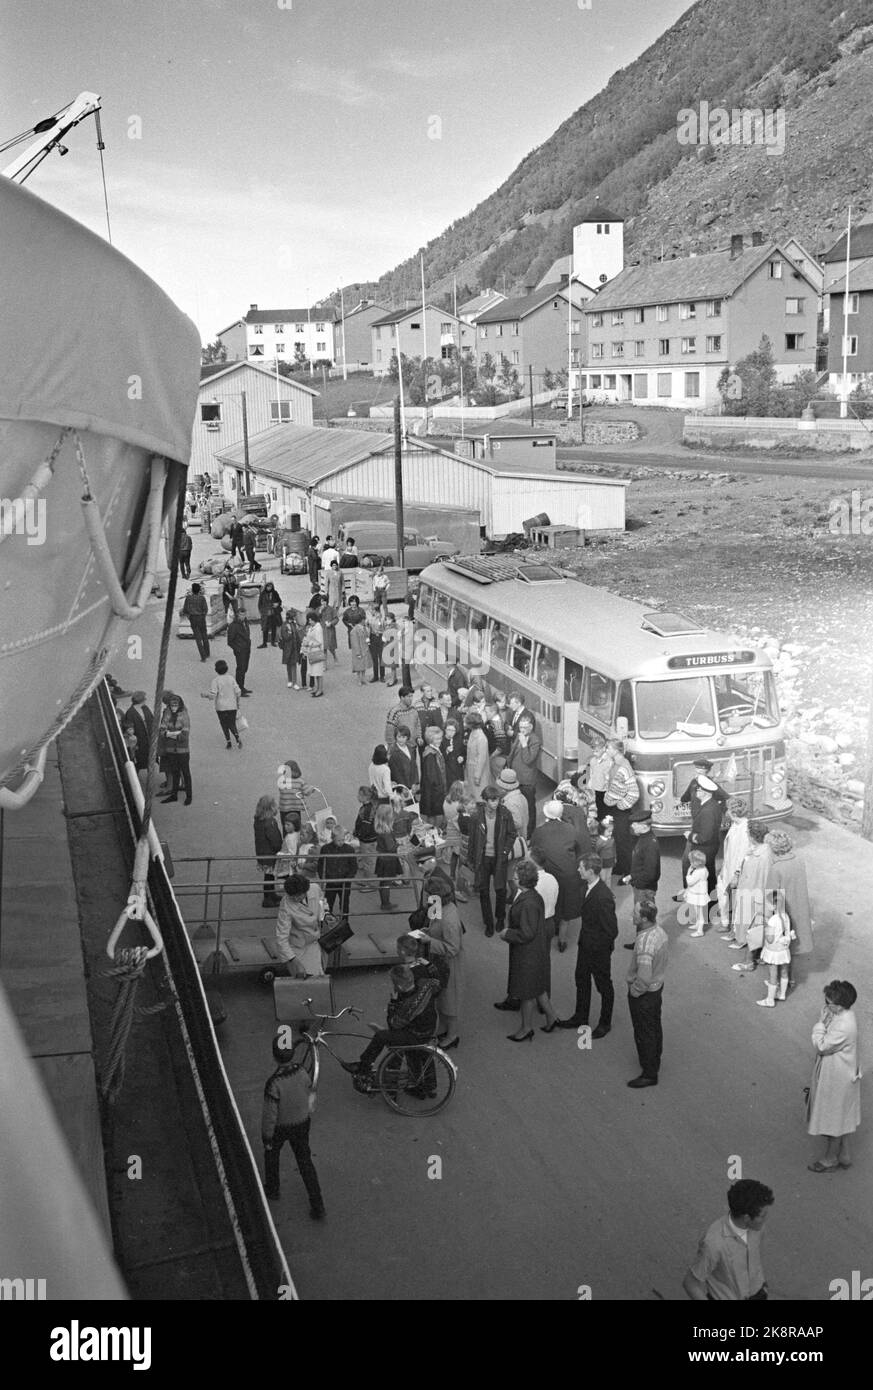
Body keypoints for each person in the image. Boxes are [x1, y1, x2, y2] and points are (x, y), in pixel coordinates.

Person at [342, 943, 443, 1090]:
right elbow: (436, 977)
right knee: (422, 1055)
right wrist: (427, 963)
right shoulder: (426, 985)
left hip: (416, 1034)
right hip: (430, 1027)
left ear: (400, 987)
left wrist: (393, 1003)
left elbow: (394, 1024)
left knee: (382, 1037)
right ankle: (429, 1084)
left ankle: (364, 1067)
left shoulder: (408, 1004)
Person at [261, 1035, 324, 1218]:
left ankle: (273, 1189)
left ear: (274, 1056)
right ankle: (317, 1204)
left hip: (281, 1127)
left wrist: (267, 1138)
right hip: (302, 1123)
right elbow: (310, 1091)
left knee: (271, 1155)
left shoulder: (274, 1083)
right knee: (305, 1162)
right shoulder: (302, 1071)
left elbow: (269, 1115)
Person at [682, 1180, 774, 1301]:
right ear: (746, 1217)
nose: (766, 1219)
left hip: (758, 1293)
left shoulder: (757, 1228)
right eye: (762, 1215)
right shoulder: (713, 1244)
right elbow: (691, 1283)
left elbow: (755, 1257)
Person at [557, 854, 617, 1036]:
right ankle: (580, 1017)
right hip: (586, 946)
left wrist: (597, 950)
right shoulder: (588, 887)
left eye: (581, 868)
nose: (578, 870)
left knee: (604, 986)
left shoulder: (603, 896)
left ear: (590, 871)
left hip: (598, 951)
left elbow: (611, 931)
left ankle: (605, 1023)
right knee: (581, 980)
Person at [498, 861, 559, 1041]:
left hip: (527, 953)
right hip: (536, 950)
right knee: (538, 987)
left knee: (526, 993)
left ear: (523, 881)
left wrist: (507, 933)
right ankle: (552, 1017)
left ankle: (526, 1028)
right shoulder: (533, 895)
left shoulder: (528, 902)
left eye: (516, 877)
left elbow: (527, 933)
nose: (513, 879)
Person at [807, 980, 861, 1172]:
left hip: (837, 1076)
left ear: (839, 1006)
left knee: (833, 1120)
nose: (825, 1005)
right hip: (842, 1072)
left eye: (828, 1002)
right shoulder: (846, 1015)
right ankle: (845, 1154)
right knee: (841, 1115)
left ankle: (830, 1158)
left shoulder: (843, 1027)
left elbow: (822, 1045)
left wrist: (820, 1024)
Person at [412, 877, 463, 1049]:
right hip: (438, 960)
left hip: (449, 964)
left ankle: (453, 1035)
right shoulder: (440, 906)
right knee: (441, 997)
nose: (425, 897)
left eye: (427, 893)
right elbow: (433, 923)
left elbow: (453, 948)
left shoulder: (450, 919)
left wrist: (428, 941)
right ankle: (443, 1028)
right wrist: (427, 931)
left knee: (450, 999)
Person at [530, 800, 585, 952]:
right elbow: (580, 851)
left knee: (547, 905)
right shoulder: (571, 829)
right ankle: (562, 940)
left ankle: (545, 936)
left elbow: (533, 850)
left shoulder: (539, 831)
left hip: (547, 874)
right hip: (568, 875)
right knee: (565, 910)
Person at [765, 829, 813, 996]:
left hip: (783, 909)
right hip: (799, 905)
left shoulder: (776, 868)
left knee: (779, 948)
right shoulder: (799, 860)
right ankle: (790, 978)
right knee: (792, 944)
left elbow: (771, 895)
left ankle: (776, 981)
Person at [625, 900, 668, 1087]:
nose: (632, 915)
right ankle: (654, 1059)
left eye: (635, 913)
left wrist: (634, 992)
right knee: (654, 1027)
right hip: (657, 987)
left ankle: (649, 1073)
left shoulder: (644, 942)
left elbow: (643, 977)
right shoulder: (659, 931)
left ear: (643, 918)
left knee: (644, 1032)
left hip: (645, 994)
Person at [467, 785, 515, 937]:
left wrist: (505, 851)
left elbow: (512, 834)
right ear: (485, 800)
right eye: (492, 800)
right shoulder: (476, 817)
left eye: (497, 800)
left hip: (499, 858)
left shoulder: (505, 814)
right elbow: (472, 839)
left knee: (500, 889)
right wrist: (471, 859)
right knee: (483, 891)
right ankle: (489, 923)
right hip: (483, 859)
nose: (495, 803)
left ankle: (500, 918)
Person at [727, 820, 773, 972]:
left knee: (753, 929)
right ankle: (759, 956)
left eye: (748, 833)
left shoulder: (763, 856)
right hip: (750, 893)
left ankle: (748, 962)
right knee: (752, 927)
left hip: (754, 896)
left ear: (753, 836)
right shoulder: (759, 850)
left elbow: (763, 880)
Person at [677, 774, 723, 898]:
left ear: (706, 793)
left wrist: (690, 836)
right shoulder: (711, 805)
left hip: (705, 848)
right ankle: (710, 899)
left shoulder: (708, 810)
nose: (697, 791)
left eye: (699, 790)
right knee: (708, 873)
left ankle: (706, 901)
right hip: (710, 847)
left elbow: (705, 836)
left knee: (704, 874)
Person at [603, 739, 641, 878]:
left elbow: (634, 792)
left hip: (621, 811)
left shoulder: (624, 767)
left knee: (624, 842)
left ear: (616, 750)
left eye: (608, 748)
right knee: (618, 840)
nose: (606, 751)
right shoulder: (614, 764)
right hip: (614, 809)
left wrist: (621, 805)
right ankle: (620, 866)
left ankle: (629, 872)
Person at [276, 872, 325, 977]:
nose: (294, 899)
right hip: (298, 948)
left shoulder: (315, 888)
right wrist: (295, 962)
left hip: (313, 943)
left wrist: (327, 913)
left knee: (317, 978)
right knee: (307, 980)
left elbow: (322, 902)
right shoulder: (285, 905)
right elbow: (281, 938)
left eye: (297, 896)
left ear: (305, 891)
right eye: (291, 896)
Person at [716, 797, 751, 932]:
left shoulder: (745, 830)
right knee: (722, 891)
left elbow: (743, 855)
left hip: (737, 871)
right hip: (728, 867)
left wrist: (736, 874)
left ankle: (734, 929)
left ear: (734, 813)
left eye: (729, 810)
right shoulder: (735, 825)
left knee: (736, 899)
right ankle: (726, 922)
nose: (726, 812)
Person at [505, 714, 541, 839]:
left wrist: (524, 744)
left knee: (529, 807)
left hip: (527, 781)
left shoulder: (534, 740)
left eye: (525, 728)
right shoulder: (520, 736)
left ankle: (530, 834)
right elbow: (512, 753)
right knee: (518, 805)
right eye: (520, 727)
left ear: (531, 727)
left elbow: (528, 760)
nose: (522, 730)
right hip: (516, 778)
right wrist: (508, 766)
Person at [317, 823, 358, 922]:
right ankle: (326, 921)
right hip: (331, 881)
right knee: (328, 903)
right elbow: (321, 864)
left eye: (343, 840)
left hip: (345, 882)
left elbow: (354, 866)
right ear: (332, 838)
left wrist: (348, 878)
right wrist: (323, 877)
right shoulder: (325, 849)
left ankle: (344, 921)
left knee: (344, 903)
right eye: (339, 840)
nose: (341, 842)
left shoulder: (349, 849)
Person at [755, 905, 792, 1008]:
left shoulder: (772, 920)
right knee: (784, 971)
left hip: (773, 951)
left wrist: (766, 925)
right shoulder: (786, 916)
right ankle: (782, 994)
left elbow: (770, 939)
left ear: (774, 906)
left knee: (773, 973)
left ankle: (770, 1000)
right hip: (784, 949)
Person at [158, 694, 192, 805]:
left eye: (175, 705)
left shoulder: (184, 715)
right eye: (172, 705)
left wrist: (169, 734)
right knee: (175, 772)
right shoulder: (167, 715)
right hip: (171, 750)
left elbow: (184, 736)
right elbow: (162, 731)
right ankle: (174, 795)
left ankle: (189, 796)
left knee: (185, 772)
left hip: (182, 750)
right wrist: (176, 733)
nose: (173, 707)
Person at [203, 658, 242, 749]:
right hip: (232, 706)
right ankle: (237, 736)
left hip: (220, 707)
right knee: (232, 723)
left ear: (216, 670)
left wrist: (205, 695)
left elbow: (213, 695)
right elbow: (238, 692)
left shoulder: (215, 680)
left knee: (224, 724)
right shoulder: (231, 678)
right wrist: (238, 703)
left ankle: (228, 742)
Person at [625, 812, 660, 909]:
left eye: (635, 824)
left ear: (644, 826)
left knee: (644, 919)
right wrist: (632, 876)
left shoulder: (649, 845)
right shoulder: (644, 837)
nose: (632, 826)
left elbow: (650, 873)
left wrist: (637, 884)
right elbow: (641, 864)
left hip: (643, 889)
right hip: (641, 886)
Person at [254, 796, 283, 907]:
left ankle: (271, 895)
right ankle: (267, 899)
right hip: (270, 854)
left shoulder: (259, 820)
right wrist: (279, 847)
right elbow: (274, 839)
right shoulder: (270, 823)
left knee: (268, 876)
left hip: (262, 853)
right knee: (269, 877)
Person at [374, 804, 402, 910]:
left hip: (382, 859)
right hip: (389, 860)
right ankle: (386, 903)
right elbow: (391, 847)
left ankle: (384, 902)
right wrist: (398, 844)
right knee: (387, 883)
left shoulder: (380, 830)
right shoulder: (387, 833)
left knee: (383, 882)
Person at [418, 726, 447, 825]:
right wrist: (439, 788)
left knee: (434, 812)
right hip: (434, 790)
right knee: (435, 814)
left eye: (440, 738)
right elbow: (432, 776)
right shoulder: (430, 755)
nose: (440, 740)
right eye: (437, 739)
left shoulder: (434, 750)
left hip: (435, 789)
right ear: (431, 739)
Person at [121, 692, 154, 775]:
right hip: (138, 740)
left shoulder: (145, 708)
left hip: (147, 739)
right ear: (141, 700)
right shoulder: (131, 712)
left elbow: (152, 719)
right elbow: (129, 727)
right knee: (137, 760)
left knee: (148, 758)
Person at [354, 785, 379, 887]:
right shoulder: (368, 807)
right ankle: (367, 880)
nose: (357, 796)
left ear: (365, 796)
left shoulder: (367, 809)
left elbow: (366, 826)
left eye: (359, 794)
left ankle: (371, 884)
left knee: (369, 862)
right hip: (369, 839)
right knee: (367, 861)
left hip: (368, 840)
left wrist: (358, 834)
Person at [463, 711, 491, 803]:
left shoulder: (481, 738)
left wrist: (477, 776)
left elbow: (481, 759)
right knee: (473, 795)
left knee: (479, 797)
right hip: (471, 770)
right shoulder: (473, 733)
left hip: (478, 773)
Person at [226, 603, 252, 695]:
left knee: (245, 668)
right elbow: (230, 641)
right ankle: (239, 689)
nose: (243, 616)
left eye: (244, 614)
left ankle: (242, 687)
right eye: (241, 615)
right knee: (240, 669)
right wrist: (237, 649)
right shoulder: (234, 626)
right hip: (240, 650)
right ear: (237, 615)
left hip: (247, 649)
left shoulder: (245, 623)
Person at [585, 733, 612, 821]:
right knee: (597, 809)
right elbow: (591, 774)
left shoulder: (609, 761)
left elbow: (609, 777)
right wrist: (589, 785)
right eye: (593, 751)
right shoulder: (593, 761)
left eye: (596, 751)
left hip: (605, 791)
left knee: (606, 811)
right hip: (595, 790)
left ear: (604, 749)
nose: (594, 753)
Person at [180, 582, 210, 660]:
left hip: (193, 619)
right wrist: (203, 616)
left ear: (192, 590)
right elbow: (205, 609)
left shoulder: (188, 598)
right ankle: (207, 653)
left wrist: (189, 617)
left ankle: (203, 657)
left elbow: (185, 609)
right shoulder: (202, 598)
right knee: (204, 635)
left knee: (198, 638)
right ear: (199, 590)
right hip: (201, 618)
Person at [683, 849, 709, 937]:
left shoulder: (698, 872)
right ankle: (698, 924)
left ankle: (700, 930)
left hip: (698, 895)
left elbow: (690, 882)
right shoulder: (704, 869)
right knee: (697, 910)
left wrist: (688, 873)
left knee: (699, 913)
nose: (690, 863)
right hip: (699, 893)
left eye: (691, 862)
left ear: (696, 863)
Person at [496, 767, 528, 838]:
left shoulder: (509, 803)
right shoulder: (522, 796)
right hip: (522, 835)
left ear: (503, 789)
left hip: (513, 840)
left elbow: (518, 823)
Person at [300, 609, 325, 698]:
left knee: (318, 672)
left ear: (314, 619)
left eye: (310, 620)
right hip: (312, 652)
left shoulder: (318, 629)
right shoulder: (312, 628)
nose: (309, 622)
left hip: (316, 652)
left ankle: (320, 689)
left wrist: (308, 644)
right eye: (309, 620)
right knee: (315, 672)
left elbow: (319, 642)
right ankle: (317, 688)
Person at [388, 725, 418, 791]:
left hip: (411, 784)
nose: (401, 739)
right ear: (395, 737)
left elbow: (414, 767)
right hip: (401, 786)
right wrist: (403, 787)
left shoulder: (410, 748)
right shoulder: (393, 751)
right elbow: (395, 772)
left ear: (407, 737)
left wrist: (414, 783)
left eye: (403, 737)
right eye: (399, 737)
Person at [278, 608, 301, 690]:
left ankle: (294, 682)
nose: (295, 618)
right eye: (294, 617)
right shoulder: (285, 625)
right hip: (288, 648)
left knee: (293, 664)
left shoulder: (294, 624)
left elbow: (297, 636)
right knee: (289, 664)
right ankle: (290, 680)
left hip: (294, 647)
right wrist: (290, 632)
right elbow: (285, 637)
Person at [442, 715, 466, 787]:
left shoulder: (459, 740)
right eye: (449, 730)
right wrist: (446, 751)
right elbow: (439, 758)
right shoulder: (441, 741)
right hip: (446, 772)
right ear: (445, 729)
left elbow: (464, 753)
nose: (451, 732)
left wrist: (462, 758)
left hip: (458, 771)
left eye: (453, 730)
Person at [257, 582, 283, 647]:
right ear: (266, 587)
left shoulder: (275, 593)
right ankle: (264, 643)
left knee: (274, 628)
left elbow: (280, 601)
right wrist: (262, 612)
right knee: (265, 629)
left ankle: (273, 642)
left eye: (270, 587)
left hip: (273, 614)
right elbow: (259, 604)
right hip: (265, 615)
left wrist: (277, 604)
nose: (269, 588)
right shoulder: (262, 594)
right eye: (268, 587)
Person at [366, 603, 385, 682]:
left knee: (381, 658)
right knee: (374, 658)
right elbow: (367, 626)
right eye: (370, 609)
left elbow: (382, 627)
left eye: (371, 610)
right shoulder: (369, 617)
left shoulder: (381, 618)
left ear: (375, 610)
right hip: (372, 637)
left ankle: (382, 676)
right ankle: (375, 676)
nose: (370, 611)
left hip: (380, 637)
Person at [348, 609, 368, 684]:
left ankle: (363, 678)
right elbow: (355, 643)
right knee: (358, 666)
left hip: (364, 649)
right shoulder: (354, 631)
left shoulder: (364, 628)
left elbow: (366, 636)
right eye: (364, 620)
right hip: (359, 650)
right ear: (361, 620)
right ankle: (359, 679)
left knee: (363, 665)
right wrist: (357, 653)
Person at [320, 597, 339, 664]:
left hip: (330, 630)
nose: (323, 603)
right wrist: (320, 612)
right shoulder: (319, 609)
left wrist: (331, 623)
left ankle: (334, 656)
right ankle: (324, 664)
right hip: (322, 630)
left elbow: (336, 619)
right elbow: (315, 618)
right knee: (323, 648)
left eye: (324, 601)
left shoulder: (331, 609)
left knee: (331, 647)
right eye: (322, 601)